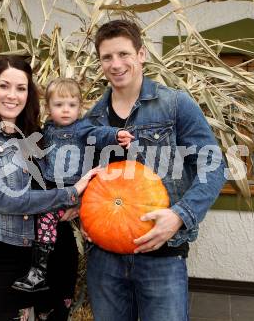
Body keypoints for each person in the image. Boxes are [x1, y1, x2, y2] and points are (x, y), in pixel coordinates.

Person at [82, 20, 227, 321]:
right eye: (107, 57)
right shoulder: (93, 119)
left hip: (163, 254)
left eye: (123, 54)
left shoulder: (175, 105)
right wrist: (80, 211)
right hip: (104, 257)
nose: (116, 64)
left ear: (141, 54)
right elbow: (85, 178)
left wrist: (179, 216)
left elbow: (213, 166)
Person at [0, 56, 99, 320]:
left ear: (29, 94)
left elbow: (76, 171)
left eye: (21, 88)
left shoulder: (40, 132)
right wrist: (68, 195)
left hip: (58, 252)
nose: (12, 95)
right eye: (4, 86)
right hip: (10, 257)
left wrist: (81, 204)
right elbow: (3, 199)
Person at [12, 77, 133, 293]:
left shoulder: (82, 128)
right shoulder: (48, 128)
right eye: (59, 105)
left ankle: (40, 273)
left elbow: (99, 134)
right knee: (45, 222)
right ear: (48, 108)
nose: (66, 110)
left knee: (55, 221)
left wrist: (116, 135)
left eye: (72, 105)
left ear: (80, 107)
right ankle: (41, 273)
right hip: (55, 189)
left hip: (77, 187)